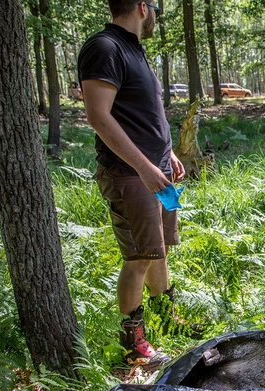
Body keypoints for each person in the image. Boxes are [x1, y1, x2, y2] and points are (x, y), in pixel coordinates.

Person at [79, 0, 195, 370]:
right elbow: (98, 116)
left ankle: (165, 318)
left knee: (159, 249)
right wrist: (144, 167)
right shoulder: (105, 47)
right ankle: (134, 344)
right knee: (140, 256)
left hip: (158, 170)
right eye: (157, 8)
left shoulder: (134, 51)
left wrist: (169, 153)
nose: (157, 15)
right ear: (143, 7)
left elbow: (143, 114)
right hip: (131, 174)